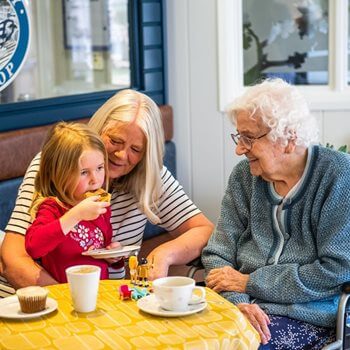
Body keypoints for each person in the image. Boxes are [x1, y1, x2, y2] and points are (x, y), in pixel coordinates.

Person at [1, 89, 213, 294]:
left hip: (100, 301)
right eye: (115, 141)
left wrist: (165, 254)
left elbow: (204, 230)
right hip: (34, 298)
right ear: (98, 130)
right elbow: (14, 259)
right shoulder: (54, 165)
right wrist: (70, 299)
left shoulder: (150, 174)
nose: (121, 155)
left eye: (136, 149)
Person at [202, 78, 350, 349]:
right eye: (238, 137)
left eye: (248, 138)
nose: (239, 149)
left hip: (307, 315)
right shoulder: (243, 177)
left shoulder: (338, 175)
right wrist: (240, 302)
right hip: (238, 307)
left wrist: (251, 283)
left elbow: (337, 268)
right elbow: (217, 253)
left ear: (288, 138)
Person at [25, 122, 120, 283]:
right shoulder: (52, 207)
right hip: (64, 298)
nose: (95, 179)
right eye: (84, 172)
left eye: (99, 168)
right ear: (59, 173)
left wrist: (113, 256)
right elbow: (34, 247)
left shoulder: (100, 207)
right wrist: (76, 215)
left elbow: (102, 250)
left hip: (100, 293)